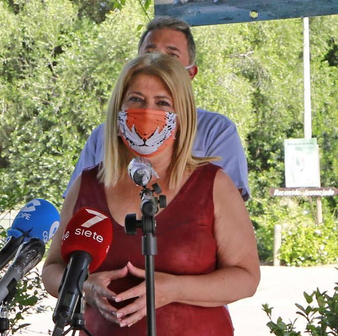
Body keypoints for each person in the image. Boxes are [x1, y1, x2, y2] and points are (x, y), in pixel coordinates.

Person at [42, 51, 259, 336]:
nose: (147, 112)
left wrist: (172, 289)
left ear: (183, 114)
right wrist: (83, 286)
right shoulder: (88, 185)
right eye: (136, 100)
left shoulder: (213, 184)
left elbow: (246, 277)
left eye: (162, 102)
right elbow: (52, 271)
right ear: (118, 110)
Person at [71, 16, 250, 200]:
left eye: (171, 56)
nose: (158, 61)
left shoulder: (217, 131)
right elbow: (78, 202)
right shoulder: (102, 137)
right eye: (149, 53)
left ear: (190, 73)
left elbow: (229, 203)